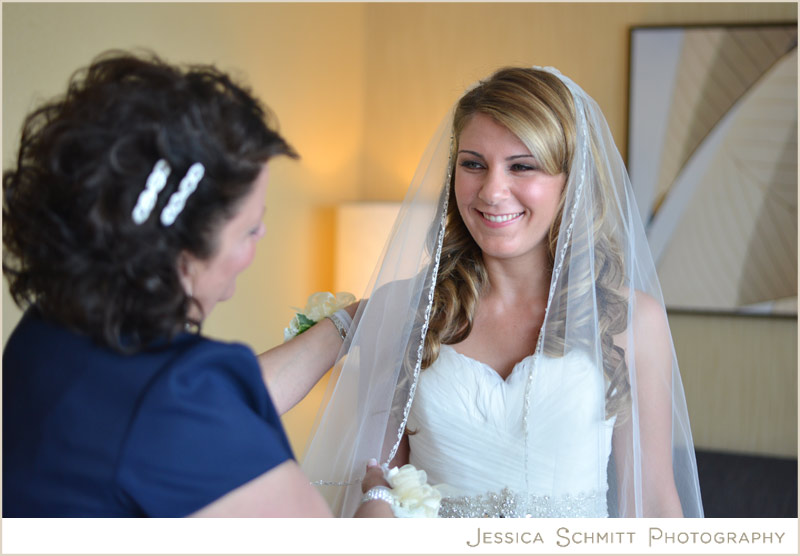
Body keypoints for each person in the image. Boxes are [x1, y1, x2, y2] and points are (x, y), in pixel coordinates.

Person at [2, 50, 392, 518]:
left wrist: (349, 322)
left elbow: (203, 420)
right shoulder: (177, 401)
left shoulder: (47, 328)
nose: (262, 236)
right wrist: (380, 494)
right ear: (183, 252)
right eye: (250, 229)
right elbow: (191, 420)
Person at [301, 66, 704, 518]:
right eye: (473, 164)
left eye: (522, 166)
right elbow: (379, 488)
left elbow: (652, 502)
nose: (492, 191)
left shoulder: (631, 319)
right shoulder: (405, 312)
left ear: (569, 180)